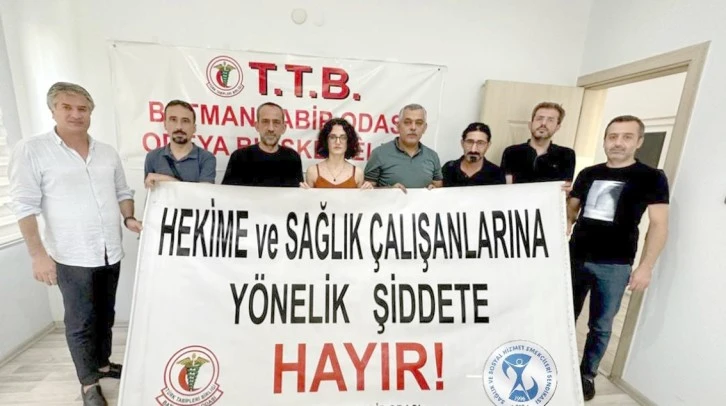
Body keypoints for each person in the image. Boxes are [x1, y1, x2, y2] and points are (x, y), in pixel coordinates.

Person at [8, 82, 142, 406]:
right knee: (80, 321)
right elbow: (24, 206)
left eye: (82, 109)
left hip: (110, 250)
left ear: (91, 113)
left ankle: (103, 365)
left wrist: (129, 218)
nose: (76, 114)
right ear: (53, 110)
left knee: (105, 314)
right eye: (67, 107)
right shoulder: (32, 150)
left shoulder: (107, 152)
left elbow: (122, 192)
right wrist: (38, 255)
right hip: (71, 255)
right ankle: (88, 384)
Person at [566, 115, 669, 401]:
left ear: (639, 142)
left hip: (615, 264)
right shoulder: (588, 173)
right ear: (605, 140)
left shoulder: (651, 177)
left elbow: (659, 224)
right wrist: (563, 207)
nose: (618, 143)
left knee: (600, 326)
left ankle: (587, 375)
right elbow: (571, 211)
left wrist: (646, 267)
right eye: (612, 136)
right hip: (574, 258)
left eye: (626, 137)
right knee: (564, 317)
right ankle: (559, 363)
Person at [363, 103, 442, 192]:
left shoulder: (433, 156)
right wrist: (389, 190)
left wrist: (434, 190)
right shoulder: (379, 154)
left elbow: (438, 187)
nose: (413, 127)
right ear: (398, 126)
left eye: (419, 123)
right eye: (407, 122)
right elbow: (366, 191)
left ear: (425, 128)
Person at [221, 102, 302, 187]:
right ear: (257, 126)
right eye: (265, 122)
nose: (271, 128)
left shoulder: (293, 158)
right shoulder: (239, 157)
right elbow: (227, 192)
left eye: (276, 122)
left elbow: (297, 191)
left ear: (283, 128)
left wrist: (304, 190)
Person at [143, 99, 216, 187]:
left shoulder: (206, 158)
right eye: (173, 120)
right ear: (165, 124)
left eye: (185, 121)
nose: (179, 127)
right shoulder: (152, 157)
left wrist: (165, 179)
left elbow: (203, 193)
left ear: (194, 128)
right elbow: (151, 192)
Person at [500, 101, 576, 184]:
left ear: (557, 127)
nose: (543, 123)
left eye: (550, 120)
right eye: (539, 119)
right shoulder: (511, 152)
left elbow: (564, 187)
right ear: (530, 124)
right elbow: (507, 187)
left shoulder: (567, 155)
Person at [300, 117, 370, 189]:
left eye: (343, 137)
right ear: (326, 141)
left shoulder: (358, 173)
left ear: (349, 141)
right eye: (332, 137)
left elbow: (361, 197)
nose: (338, 142)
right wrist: (302, 193)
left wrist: (369, 192)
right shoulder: (312, 172)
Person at [441, 122, 505, 186]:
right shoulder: (449, 168)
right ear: (462, 143)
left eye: (480, 143)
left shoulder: (497, 174)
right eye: (469, 142)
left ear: (488, 145)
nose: (473, 150)